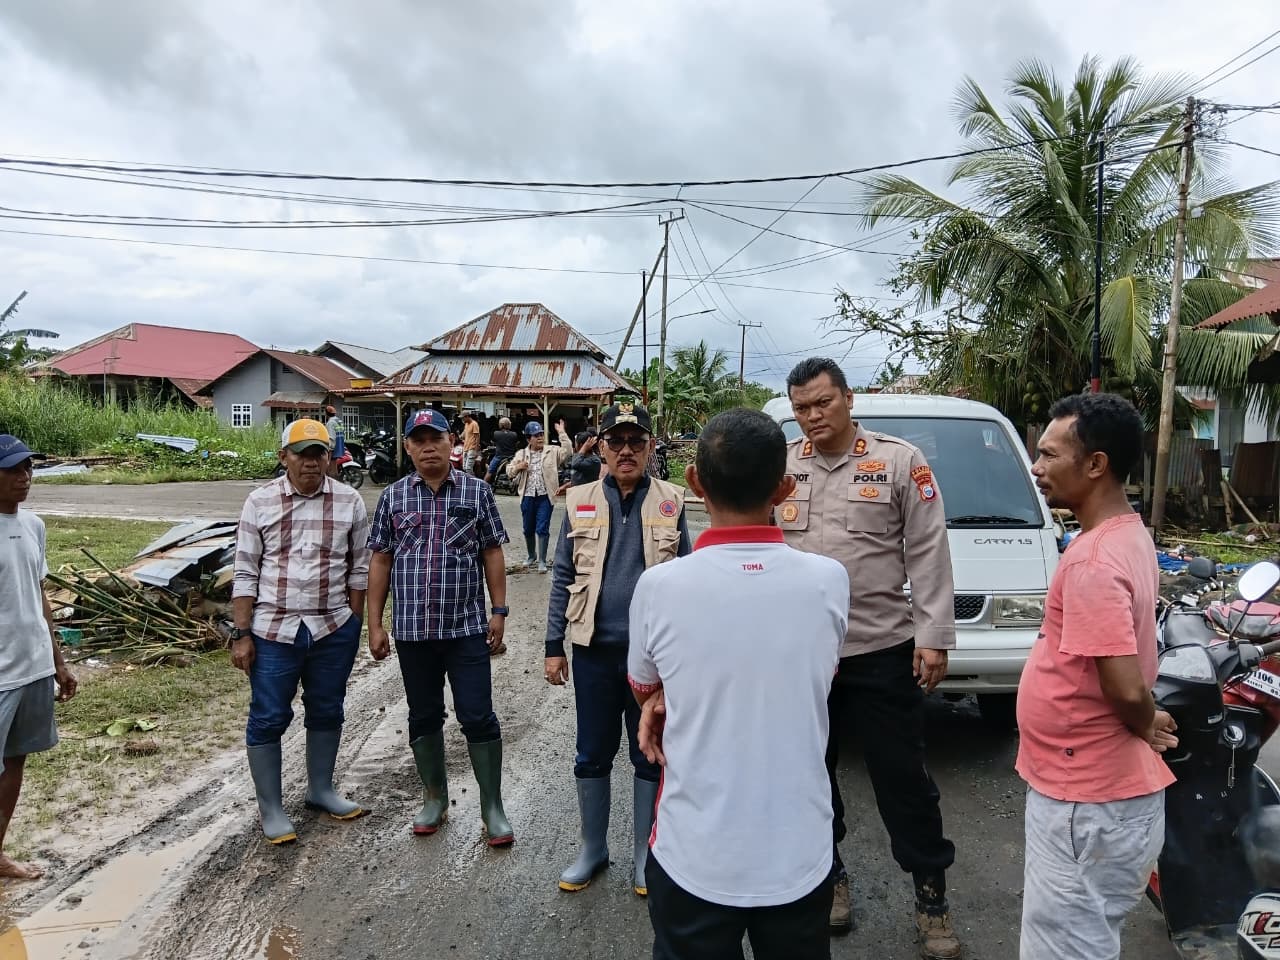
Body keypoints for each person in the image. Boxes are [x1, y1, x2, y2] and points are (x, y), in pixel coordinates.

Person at [628, 409, 849, 959]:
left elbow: (642, 683)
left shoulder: (658, 587)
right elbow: (821, 674)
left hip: (693, 854)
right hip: (799, 854)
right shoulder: (829, 581)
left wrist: (659, 698)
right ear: (785, 487)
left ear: (695, 483)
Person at [778, 357, 959, 956]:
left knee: (902, 779)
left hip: (881, 648)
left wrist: (933, 635)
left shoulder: (899, 461)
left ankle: (931, 896)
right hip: (803, 656)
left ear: (849, 399)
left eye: (822, 403)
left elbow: (928, 550)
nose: (812, 417)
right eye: (801, 407)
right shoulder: (782, 466)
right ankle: (830, 880)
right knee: (809, 777)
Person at [1018, 393, 1177, 960]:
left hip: (1084, 802)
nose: (1037, 468)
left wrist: (1147, 718)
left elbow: (1125, 685)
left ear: (1095, 465)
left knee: (1065, 947)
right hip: (1096, 798)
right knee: (1087, 937)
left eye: (1048, 454)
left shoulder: (1092, 560)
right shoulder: (1127, 534)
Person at [545, 400, 690, 896]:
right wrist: (552, 645)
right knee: (592, 751)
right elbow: (563, 573)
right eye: (616, 441)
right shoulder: (579, 498)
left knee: (649, 753)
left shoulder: (672, 500)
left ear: (651, 447)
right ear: (601, 447)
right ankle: (593, 848)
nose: (626, 450)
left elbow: (690, 579)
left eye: (636, 441)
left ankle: (644, 854)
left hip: (653, 658)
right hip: (593, 651)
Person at [366, 408, 515, 846]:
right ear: (408, 446)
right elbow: (380, 560)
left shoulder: (477, 492)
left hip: (466, 629)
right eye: (419, 439)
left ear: (453, 442)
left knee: (477, 715)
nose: (428, 446)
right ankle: (434, 799)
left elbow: (491, 552)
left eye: (436, 438)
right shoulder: (393, 498)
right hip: (413, 632)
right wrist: (375, 623)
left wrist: (500, 610)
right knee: (424, 714)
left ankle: (493, 808)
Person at [231, 419, 371, 844]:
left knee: (327, 708)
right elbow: (245, 571)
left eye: (319, 454)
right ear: (283, 457)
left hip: (332, 627)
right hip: (274, 629)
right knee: (270, 715)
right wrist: (241, 633)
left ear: (330, 457)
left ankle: (321, 790)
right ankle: (271, 808)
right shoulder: (260, 502)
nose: (311, 462)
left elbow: (360, 568)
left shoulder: (349, 501)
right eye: (302, 454)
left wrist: (354, 622)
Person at [0, 434, 77, 880]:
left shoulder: (33, 525)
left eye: (27, 468)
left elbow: (39, 597)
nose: (24, 477)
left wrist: (58, 662)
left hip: (33, 669)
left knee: (15, 764)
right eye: (12, 469)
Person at [506, 419, 571, 572]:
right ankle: (531, 556)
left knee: (542, 528)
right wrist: (518, 467)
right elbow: (509, 471)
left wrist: (561, 432)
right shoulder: (521, 454)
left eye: (541, 434)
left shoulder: (552, 451)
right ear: (529, 439)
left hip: (545, 496)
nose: (540, 438)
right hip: (527, 496)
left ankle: (542, 560)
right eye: (536, 435)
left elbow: (568, 451)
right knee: (528, 528)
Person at [555, 429, 602, 496]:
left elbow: (575, 464)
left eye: (576, 443)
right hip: (577, 495)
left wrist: (584, 448)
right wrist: (565, 486)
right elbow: (579, 479)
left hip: (587, 497)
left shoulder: (594, 460)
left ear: (581, 445)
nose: (575, 446)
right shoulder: (582, 458)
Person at [484, 417, 519, 485]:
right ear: (508, 425)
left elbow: (493, 442)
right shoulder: (514, 434)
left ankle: (483, 485)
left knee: (489, 471)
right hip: (511, 457)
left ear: (500, 425)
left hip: (499, 457)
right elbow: (516, 444)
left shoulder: (496, 433)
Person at [324, 404, 346, 478]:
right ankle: (336, 480)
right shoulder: (339, 421)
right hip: (340, 445)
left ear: (326, 413)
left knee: (330, 467)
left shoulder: (330, 423)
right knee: (334, 466)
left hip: (333, 447)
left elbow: (331, 437)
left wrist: (330, 449)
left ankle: (333, 482)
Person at [461, 410, 481, 476]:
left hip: (472, 448)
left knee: (468, 468)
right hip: (465, 448)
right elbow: (463, 434)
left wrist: (476, 450)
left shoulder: (474, 424)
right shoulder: (466, 424)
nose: (462, 419)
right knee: (464, 467)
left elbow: (477, 437)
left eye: (463, 418)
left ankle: (473, 480)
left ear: (467, 417)